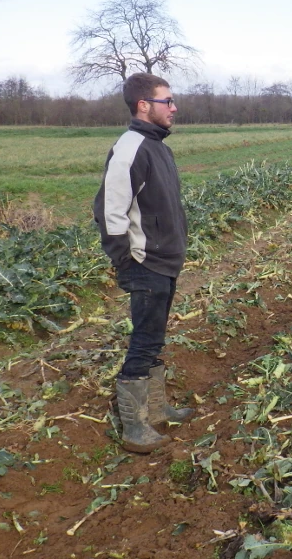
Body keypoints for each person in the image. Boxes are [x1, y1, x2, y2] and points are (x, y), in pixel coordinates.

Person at [93, 73, 194, 454]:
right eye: (167, 101)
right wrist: (126, 260)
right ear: (143, 105)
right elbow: (110, 210)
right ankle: (134, 427)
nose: (174, 107)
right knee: (144, 339)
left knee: (155, 337)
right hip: (145, 262)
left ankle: (156, 409)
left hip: (165, 259)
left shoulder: (158, 146)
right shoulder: (130, 148)